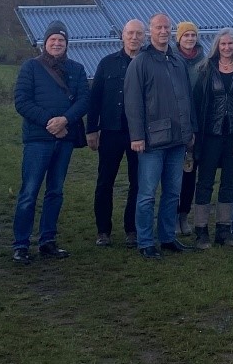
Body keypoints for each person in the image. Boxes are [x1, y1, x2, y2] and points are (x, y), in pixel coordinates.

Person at [11, 20, 89, 264]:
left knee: (55, 191)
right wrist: (50, 122)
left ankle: (48, 240)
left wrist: (65, 120)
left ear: (67, 44)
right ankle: (21, 244)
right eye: (52, 39)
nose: (57, 43)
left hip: (64, 140)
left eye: (61, 40)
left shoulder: (76, 69)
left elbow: (84, 100)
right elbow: (22, 101)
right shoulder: (30, 68)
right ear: (44, 43)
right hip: (37, 140)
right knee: (29, 192)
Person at [124, 13, 196, 260]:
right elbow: (132, 102)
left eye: (167, 27)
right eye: (158, 27)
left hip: (178, 140)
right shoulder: (141, 62)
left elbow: (187, 99)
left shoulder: (177, 61)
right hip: (152, 141)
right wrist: (137, 136)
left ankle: (167, 237)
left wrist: (190, 131)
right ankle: (145, 241)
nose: (163, 31)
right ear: (150, 32)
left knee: (172, 192)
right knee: (146, 194)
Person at [190, 28, 233, 249]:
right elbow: (197, 102)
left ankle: (223, 229)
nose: (227, 48)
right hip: (210, 135)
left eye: (230, 44)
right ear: (217, 47)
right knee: (205, 182)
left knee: (230, 183)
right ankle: (201, 229)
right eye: (223, 44)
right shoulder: (205, 70)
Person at [87, 19, 145, 248]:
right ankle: (103, 231)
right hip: (110, 131)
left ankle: (132, 229)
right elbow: (95, 98)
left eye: (138, 34)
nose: (134, 37)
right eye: (130, 33)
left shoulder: (147, 63)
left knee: (138, 183)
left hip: (138, 133)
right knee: (105, 182)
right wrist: (92, 129)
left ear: (144, 37)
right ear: (122, 36)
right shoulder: (107, 63)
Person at [173, 20, 205, 236]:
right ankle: (172, 216)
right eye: (186, 36)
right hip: (176, 125)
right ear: (179, 39)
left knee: (189, 173)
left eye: (193, 35)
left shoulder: (205, 62)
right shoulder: (171, 60)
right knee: (173, 174)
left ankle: (184, 215)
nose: (190, 39)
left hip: (198, 125)